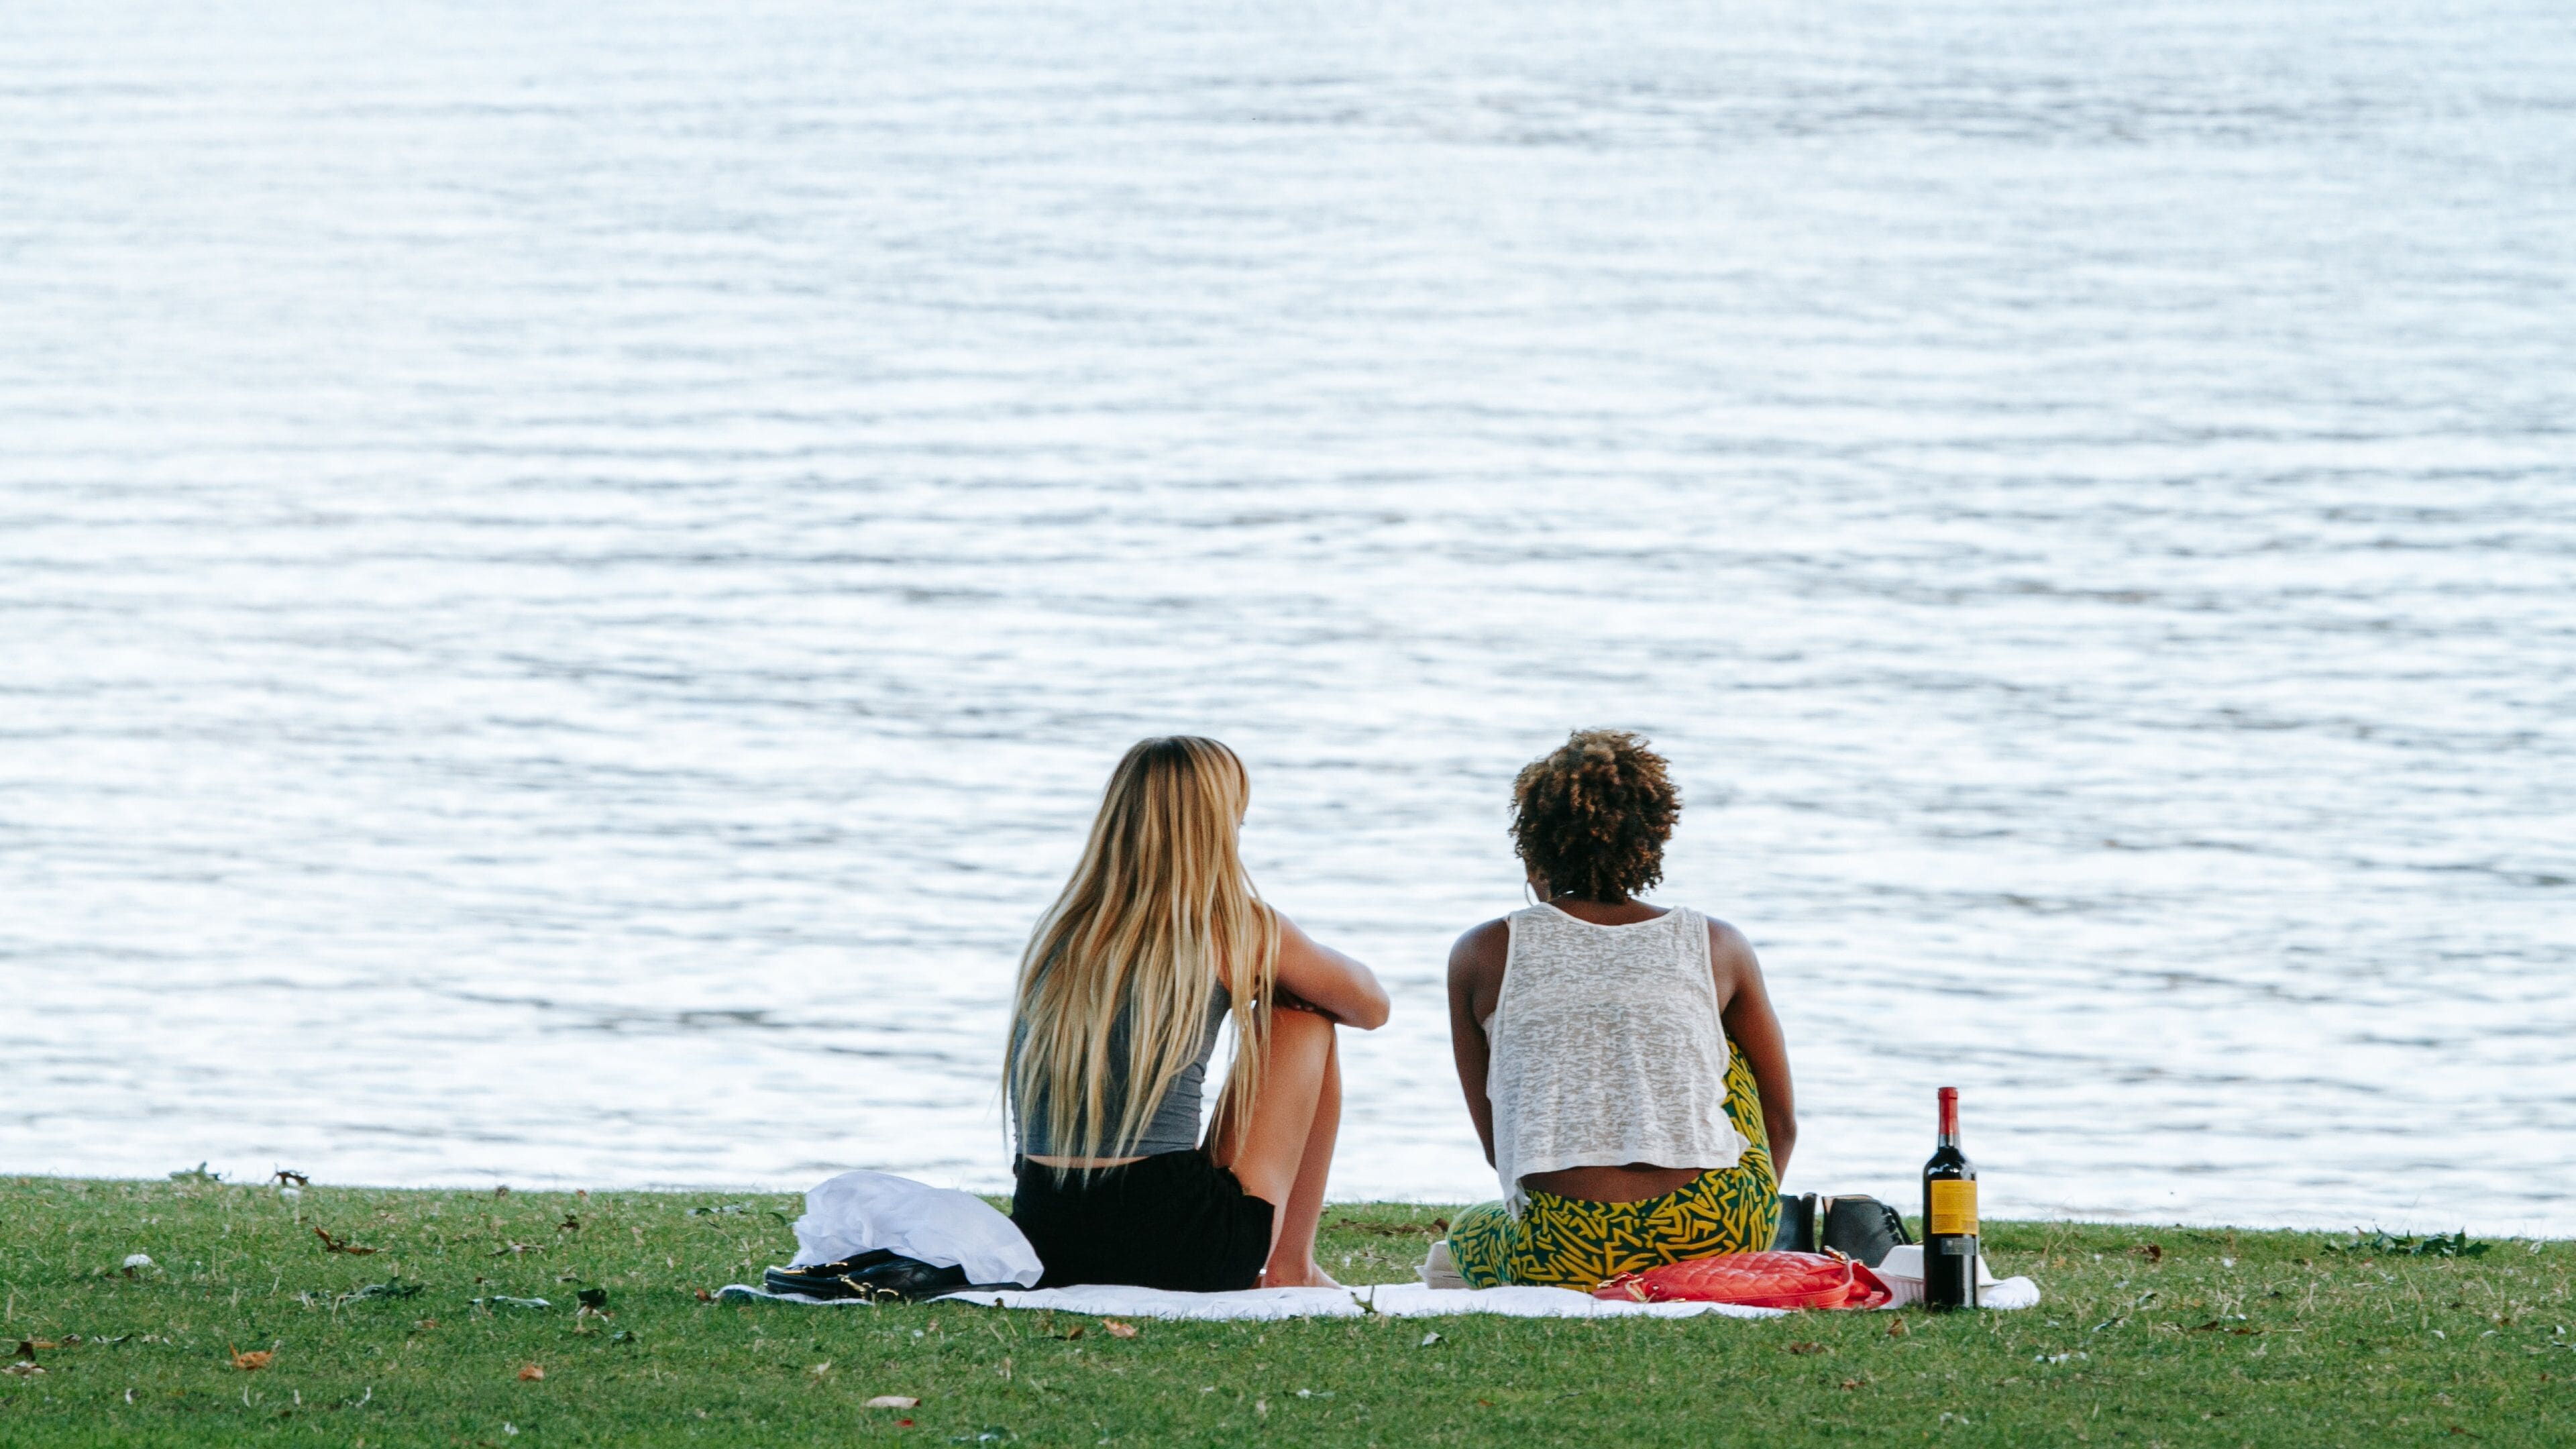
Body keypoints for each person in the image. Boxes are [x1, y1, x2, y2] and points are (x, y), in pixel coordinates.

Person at [1006, 736, 1390, 1291]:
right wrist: (1278, 985)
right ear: (1219, 824)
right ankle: (1293, 1268)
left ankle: (1293, 1267)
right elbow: (1371, 1006)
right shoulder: (1236, 926)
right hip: (1181, 1248)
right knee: (1305, 1020)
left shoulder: (1062, 930)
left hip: (1046, 1242)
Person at [1438, 729, 1794, 1289]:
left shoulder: (1481, 952)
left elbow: (1499, 1145)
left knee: (1468, 1230)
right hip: (1718, 1227)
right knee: (1721, 1042)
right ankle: (1715, 1244)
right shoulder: (1717, 944)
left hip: (1561, 1250)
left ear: (1533, 848)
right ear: (1652, 842)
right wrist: (1748, 1218)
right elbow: (1781, 1123)